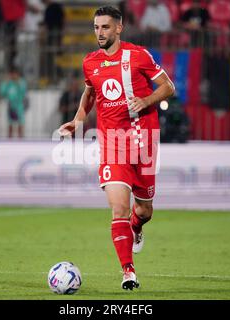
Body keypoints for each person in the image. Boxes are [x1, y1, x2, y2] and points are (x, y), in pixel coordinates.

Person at [58, 6, 175, 290]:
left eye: (105, 27)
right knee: (119, 209)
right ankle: (128, 272)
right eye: (96, 27)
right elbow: (90, 92)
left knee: (144, 211)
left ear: (119, 28)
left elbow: (167, 87)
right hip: (112, 145)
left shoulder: (138, 56)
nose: (99, 32)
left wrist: (146, 101)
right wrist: (78, 120)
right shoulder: (90, 62)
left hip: (144, 143)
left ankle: (137, 227)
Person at [0, 66, 28, 138]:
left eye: (15, 74)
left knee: (20, 124)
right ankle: (10, 140)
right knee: (10, 124)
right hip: (11, 106)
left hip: (19, 106)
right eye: (12, 74)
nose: (14, 76)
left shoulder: (21, 82)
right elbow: (2, 93)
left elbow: (23, 92)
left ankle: (21, 139)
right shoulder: (8, 83)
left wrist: (18, 83)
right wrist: (5, 82)